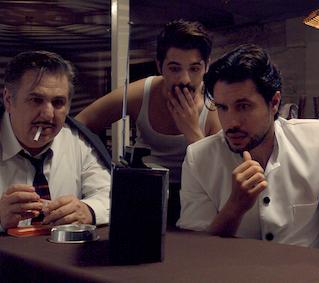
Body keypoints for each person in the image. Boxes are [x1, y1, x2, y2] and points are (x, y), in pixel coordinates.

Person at [177, 44, 319, 254]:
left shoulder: (317, 140)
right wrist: (234, 208)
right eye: (222, 108)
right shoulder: (198, 158)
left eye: (243, 106)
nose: (231, 122)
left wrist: (315, 268)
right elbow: (194, 251)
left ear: (274, 102)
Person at [76, 19, 221, 226]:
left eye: (194, 69)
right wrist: (101, 172)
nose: (185, 79)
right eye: (174, 68)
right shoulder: (142, 92)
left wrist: (193, 133)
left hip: (194, 198)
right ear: (160, 66)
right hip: (143, 192)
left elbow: (219, 180)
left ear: (206, 67)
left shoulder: (215, 106)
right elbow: (82, 123)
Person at [0, 50, 110, 232]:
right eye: (36, 100)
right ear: (8, 100)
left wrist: (88, 210)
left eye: (58, 102)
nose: (48, 114)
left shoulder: (77, 140)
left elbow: (113, 195)